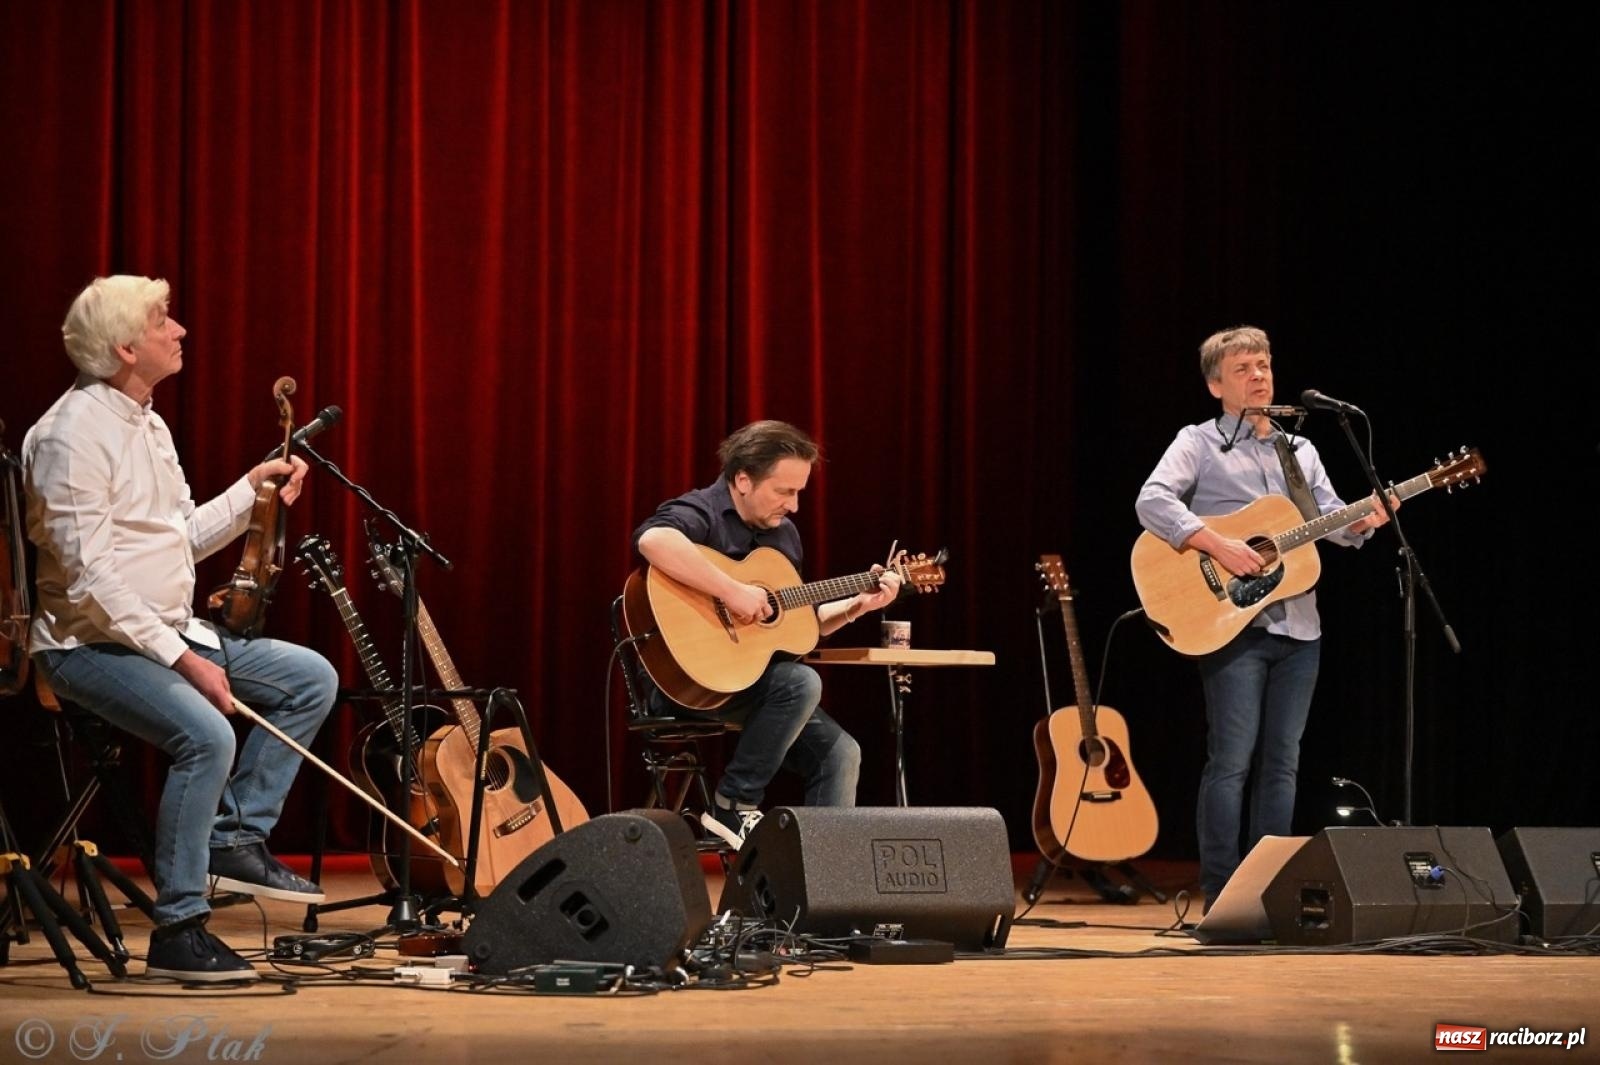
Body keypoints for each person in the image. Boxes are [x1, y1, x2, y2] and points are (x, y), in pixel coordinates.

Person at [24, 275, 339, 982]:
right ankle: (179, 927)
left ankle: (234, 834)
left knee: (308, 677)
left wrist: (251, 489)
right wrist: (186, 661)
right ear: (125, 346)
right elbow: (91, 581)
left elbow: (179, 538)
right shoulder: (69, 436)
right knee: (207, 732)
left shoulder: (149, 420)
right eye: (164, 320)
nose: (181, 330)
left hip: (166, 627)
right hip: (88, 644)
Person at [1134, 326, 1393, 910]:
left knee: (1283, 763)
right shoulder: (1196, 442)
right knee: (1231, 761)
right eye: (1244, 367)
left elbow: (1331, 522)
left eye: (1264, 365)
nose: (1258, 375)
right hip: (1232, 622)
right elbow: (1152, 500)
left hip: (1301, 626)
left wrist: (1366, 519)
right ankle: (1221, 893)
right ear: (1215, 384)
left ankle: (1265, 894)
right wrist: (1218, 545)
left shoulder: (1298, 451)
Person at [632, 420, 901, 847]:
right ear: (742, 479)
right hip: (687, 682)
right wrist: (732, 591)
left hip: (755, 687)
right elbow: (653, 540)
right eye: (784, 491)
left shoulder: (783, 536)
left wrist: (857, 605)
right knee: (800, 682)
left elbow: (798, 625)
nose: (793, 505)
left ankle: (826, 882)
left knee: (841, 752)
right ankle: (733, 804)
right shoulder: (701, 510)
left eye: (799, 492)